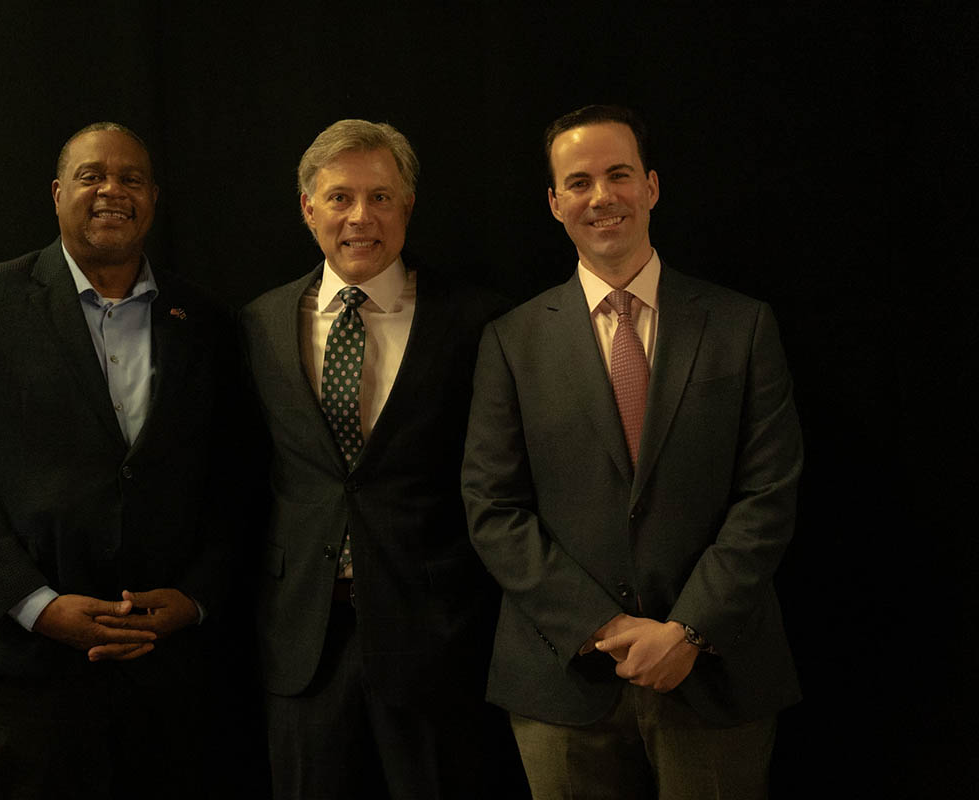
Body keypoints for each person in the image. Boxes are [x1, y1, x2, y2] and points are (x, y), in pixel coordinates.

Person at [461, 105, 803, 799]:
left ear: (650, 186)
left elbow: (768, 494)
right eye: (579, 182)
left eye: (619, 175)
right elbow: (492, 508)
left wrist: (687, 630)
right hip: (562, 679)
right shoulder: (510, 340)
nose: (602, 197)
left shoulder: (742, 325)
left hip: (715, 673)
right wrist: (605, 627)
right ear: (555, 203)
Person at [0, 122, 250, 797]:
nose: (111, 191)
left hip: (172, 668)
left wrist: (195, 600)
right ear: (58, 191)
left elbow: (238, 477)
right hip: (32, 665)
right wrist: (36, 604)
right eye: (93, 175)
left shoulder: (207, 320)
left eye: (130, 179)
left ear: (153, 197)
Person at [240, 119, 527, 799]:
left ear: (408, 205)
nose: (360, 216)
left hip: (435, 635)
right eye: (339, 198)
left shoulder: (478, 322)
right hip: (303, 637)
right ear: (308, 208)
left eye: (381, 197)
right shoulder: (259, 322)